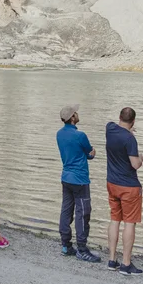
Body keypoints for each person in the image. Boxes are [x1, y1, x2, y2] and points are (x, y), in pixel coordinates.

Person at [56, 103, 101, 262]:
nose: (77, 114)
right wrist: (93, 153)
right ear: (72, 117)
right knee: (83, 213)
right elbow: (89, 153)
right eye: (76, 112)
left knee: (66, 210)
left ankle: (65, 245)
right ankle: (82, 248)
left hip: (66, 177)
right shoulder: (80, 135)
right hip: (80, 179)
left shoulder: (59, 134)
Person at [106, 107, 143, 276]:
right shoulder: (130, 139)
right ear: (133, 122)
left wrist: (128, 132)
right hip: (128, 186)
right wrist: (141, 158)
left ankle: (112, 260)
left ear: (119, 117)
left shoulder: (109, 128)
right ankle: (126, 263)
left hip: (112, 183)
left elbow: (119, 130)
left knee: (115, 220)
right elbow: (135, 164)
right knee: (129, 223)